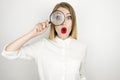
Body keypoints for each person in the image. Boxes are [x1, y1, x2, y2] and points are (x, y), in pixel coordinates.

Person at [1, 2, 87, 80]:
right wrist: (32, 33)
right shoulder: (42, 46)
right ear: (53, 22)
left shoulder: (82, 47)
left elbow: (80, 75)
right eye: (58, 17)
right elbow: (8, 52)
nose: (64, 23)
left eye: (68, 17)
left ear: (73, 22)